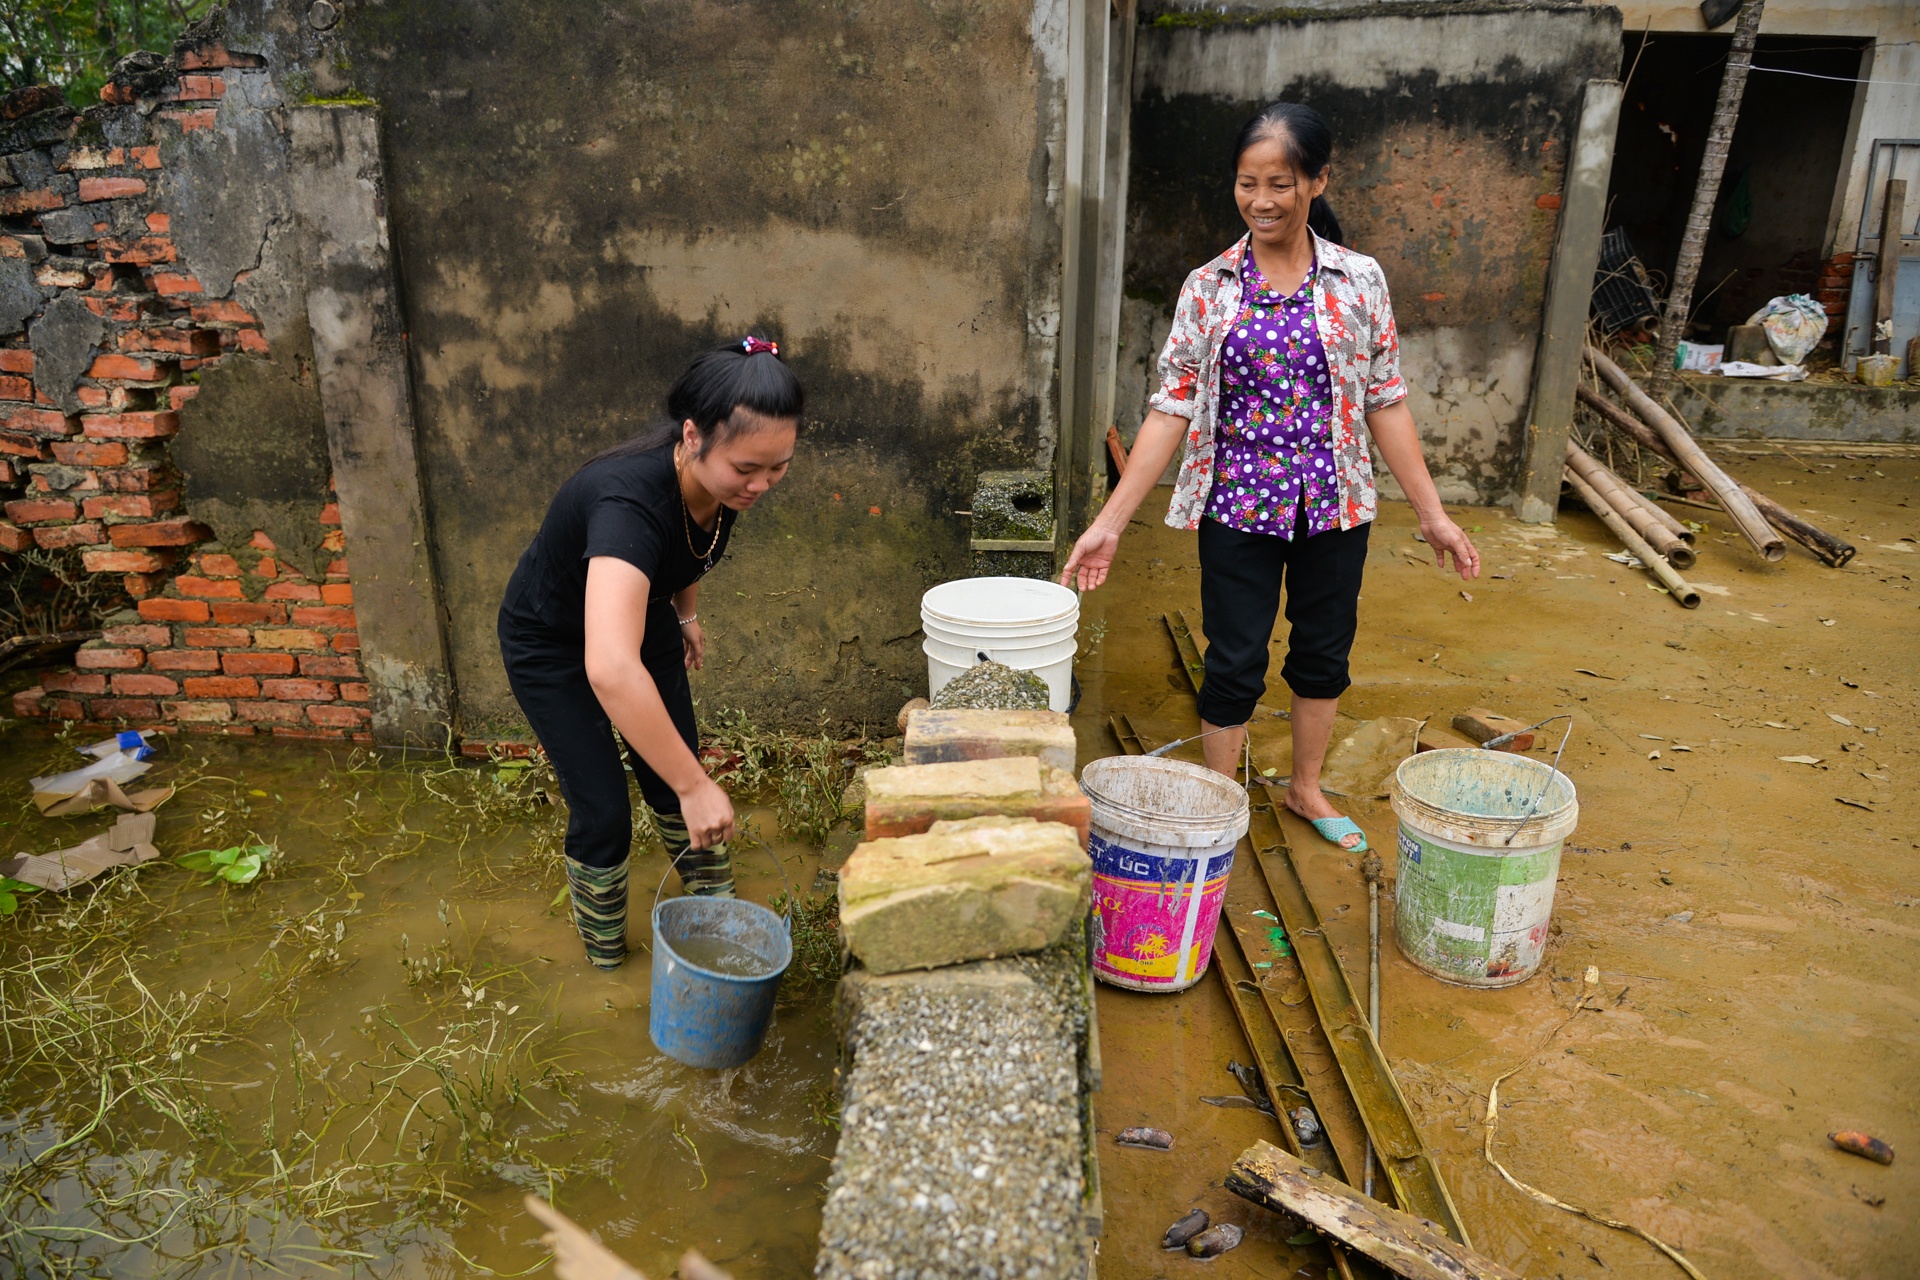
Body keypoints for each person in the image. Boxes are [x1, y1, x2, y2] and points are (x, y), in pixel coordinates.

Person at [1061, 102, 1478, 853]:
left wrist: (1433, 513)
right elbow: (1169, 409)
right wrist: (1109, 523)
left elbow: (1386, 399)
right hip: (1238, 507)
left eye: (1279, 183)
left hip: (1335, 506)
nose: (1261, 200)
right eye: (1247, 183)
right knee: (1234, 658)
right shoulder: (1209, 287)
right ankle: (1223, 803)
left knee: (1322, 652)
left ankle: (1304, 788)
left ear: (1317, 181)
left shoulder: (1359, 281)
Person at [497, 338, 801, 968]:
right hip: (551, 643)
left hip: (643, 620)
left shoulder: (723, 481)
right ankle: (607, 965)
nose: (761, 484)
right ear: (691, 437)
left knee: (671, 770)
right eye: (747, 469)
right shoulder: (626, 504)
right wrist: (697, 787)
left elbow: (692, 540)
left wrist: (684, 613)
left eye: (778, 467)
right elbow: (608, 666)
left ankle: (720, 926)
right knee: (605, 807)